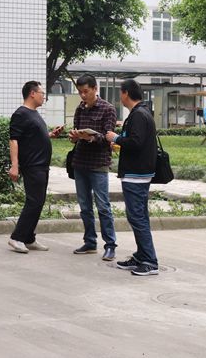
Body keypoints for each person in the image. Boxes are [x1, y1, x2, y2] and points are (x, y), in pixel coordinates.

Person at [105, 79, 159, 276]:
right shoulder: (141, 112)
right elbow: (137, 142)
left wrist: (116, 138)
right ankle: (141, 255)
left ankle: (150, 261)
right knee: (138, 216)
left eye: (121, 92)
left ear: (126, 93)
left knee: (137, 217)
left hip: (136, 175)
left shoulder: (138, 115)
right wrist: (120, 142)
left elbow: (136, 143)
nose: (120, 97)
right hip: (139, 173)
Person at [8, 81, 64, 254]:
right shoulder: (21, 114)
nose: (43, 96)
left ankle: (29, 238)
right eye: (42, 93)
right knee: (34, 202)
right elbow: (14, 140)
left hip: (42, 166)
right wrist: (14, 166)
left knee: (38, 202)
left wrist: (50, 135)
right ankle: (17, 238)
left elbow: (33, 136)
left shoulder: (34, 113)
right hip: (32, 165)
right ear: (32, 93)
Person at [68, 74, 118, 261]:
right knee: (84, 206)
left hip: (98, 163)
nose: (83, 95)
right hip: (80, 162)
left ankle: (110, 245)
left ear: (95, 89)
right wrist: (74, 137)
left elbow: (108, 138)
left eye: (86, 91)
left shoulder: (108, 109)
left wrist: (90, 137)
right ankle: (90, 242)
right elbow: (76, 134)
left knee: (103, 206)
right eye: (80, 92)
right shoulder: (80, 109)